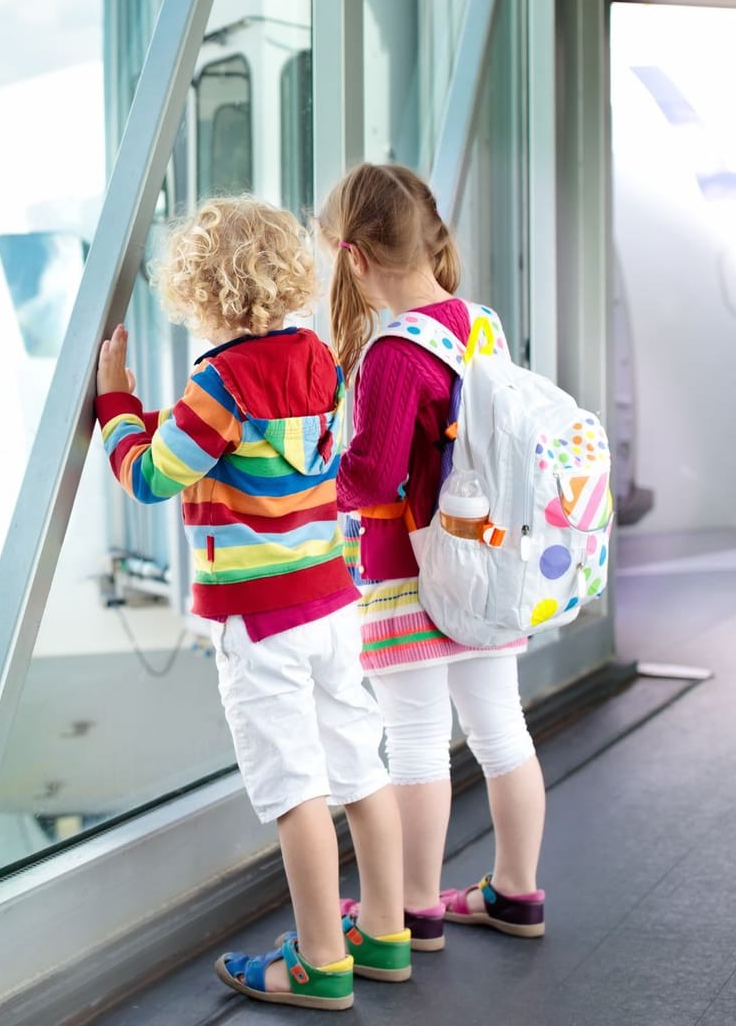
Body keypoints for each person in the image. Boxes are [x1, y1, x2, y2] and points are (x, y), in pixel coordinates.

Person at [95, 197, 407, 1011]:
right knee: (359, 767)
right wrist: (169, 418)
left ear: (197, 294)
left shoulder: (218, 381)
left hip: (261, 622)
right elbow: (263, 446)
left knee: (295, 789)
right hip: (333, 604)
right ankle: (382, 933)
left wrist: (116, 406)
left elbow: (152, 474)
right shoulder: (317, 357)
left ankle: (319, 962)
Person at [320, 163, 549, 949]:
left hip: (407, 575)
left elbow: (372, 475)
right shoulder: (478, 323)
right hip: (487, 562)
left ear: (354, 258)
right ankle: (515, 892)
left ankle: (415, 905)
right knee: (501, 730)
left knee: (414, 741)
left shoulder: (391, 354)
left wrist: (312, 475)